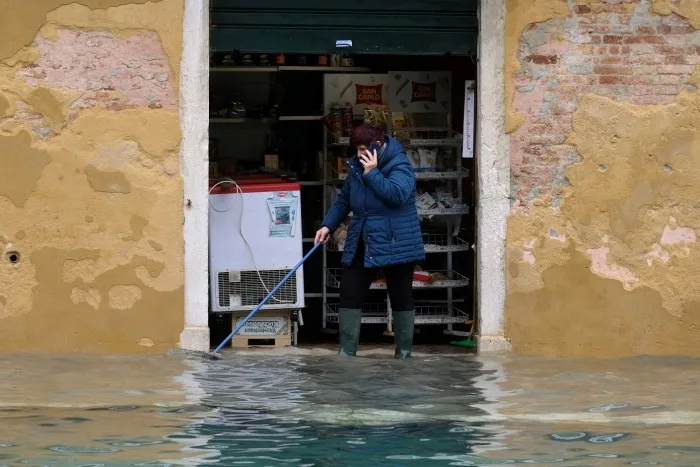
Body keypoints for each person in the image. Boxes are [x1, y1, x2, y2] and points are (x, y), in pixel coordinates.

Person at [315, 123, 425, 359]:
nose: (358, 154)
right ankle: (346, 353)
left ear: (378, 146)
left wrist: (373, 173)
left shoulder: (400, 164)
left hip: (396, 239)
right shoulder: (356, 167)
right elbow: (344, 199)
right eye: (356, 149)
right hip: (363, 236)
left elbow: (398, 196)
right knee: (349, 291)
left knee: (400, 295)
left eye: (363, 148)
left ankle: (403, 355)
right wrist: (328, 225)